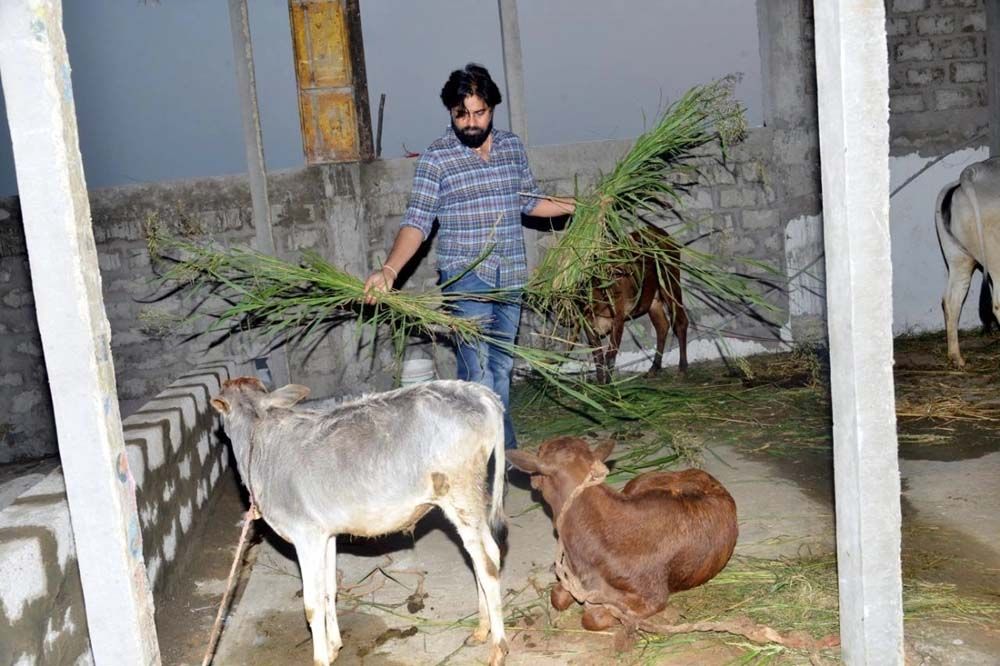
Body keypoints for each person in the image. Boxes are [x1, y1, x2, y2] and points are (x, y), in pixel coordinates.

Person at [364, 63, 574, 450]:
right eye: (462, 115)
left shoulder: (511, 147)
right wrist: (390, 269)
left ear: (492, 107)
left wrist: (576, 206)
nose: (471, 123)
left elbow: (528, 201)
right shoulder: (436, 159)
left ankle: (491, 453)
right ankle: (496, 457)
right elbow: (417, 222)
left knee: (502, 368)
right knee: (478, 373)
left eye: (480, 113)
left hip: (510, 274)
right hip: (467, 279)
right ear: (451, 112)